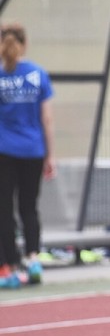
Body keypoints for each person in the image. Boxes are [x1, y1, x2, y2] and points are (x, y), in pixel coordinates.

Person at [0, 23, 53, 288]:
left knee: (4, 209)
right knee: (29, 207)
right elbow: (47, 119)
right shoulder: (38, 74)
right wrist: (50, 155)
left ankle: (8, 267)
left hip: (4, 150)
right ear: (25, 42)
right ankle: (33, 259)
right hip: (33, 150)